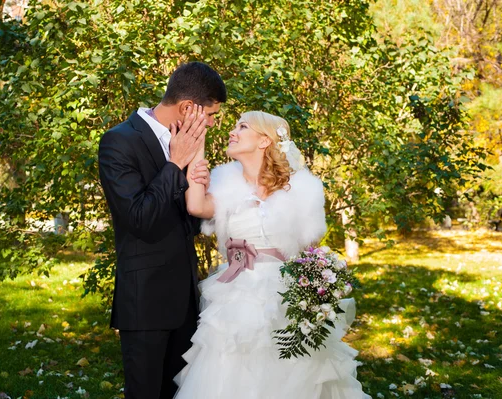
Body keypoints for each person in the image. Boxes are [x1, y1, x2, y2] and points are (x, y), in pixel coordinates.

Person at [174, 111, 371, 398]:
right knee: (233, 365)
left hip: (284, 294)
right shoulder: (225, 182)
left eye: (242, 127)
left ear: (264, 140)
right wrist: (197, 150)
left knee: (290, 370)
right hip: (237, 293)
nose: (233, 131)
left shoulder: (301, 188)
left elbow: (309, 247)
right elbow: (195, 207)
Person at [98, 62, 226, 399]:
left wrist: (198, 197)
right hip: (146, 303)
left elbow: (189, 224)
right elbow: (139, 218)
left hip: (185, 298)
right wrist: (174, 164)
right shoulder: (118, 141)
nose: (212, 123)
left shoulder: (187, 144)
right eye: (211, 114)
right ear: (187, 108)